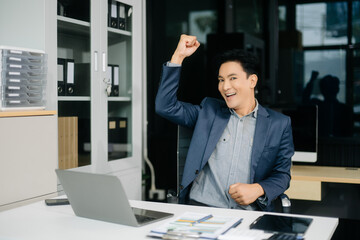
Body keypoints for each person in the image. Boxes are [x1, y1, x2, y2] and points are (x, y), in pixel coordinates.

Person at [155, 34, 294, 211]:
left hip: (248, 214)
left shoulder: (278, 124)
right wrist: (178, 57)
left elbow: (282, 175)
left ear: (252, 81)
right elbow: (164, 106)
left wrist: (258, 189)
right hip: (201, 208)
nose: (225, 86)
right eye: (221, 80)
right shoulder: (208, 111)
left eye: (232, 78)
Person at [303, 71, 353, 137]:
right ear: (337, 89)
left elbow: (305, 99)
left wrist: (312, 80)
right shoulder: (345, 109)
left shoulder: (317, 105)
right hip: (339, 145)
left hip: (322, 144)